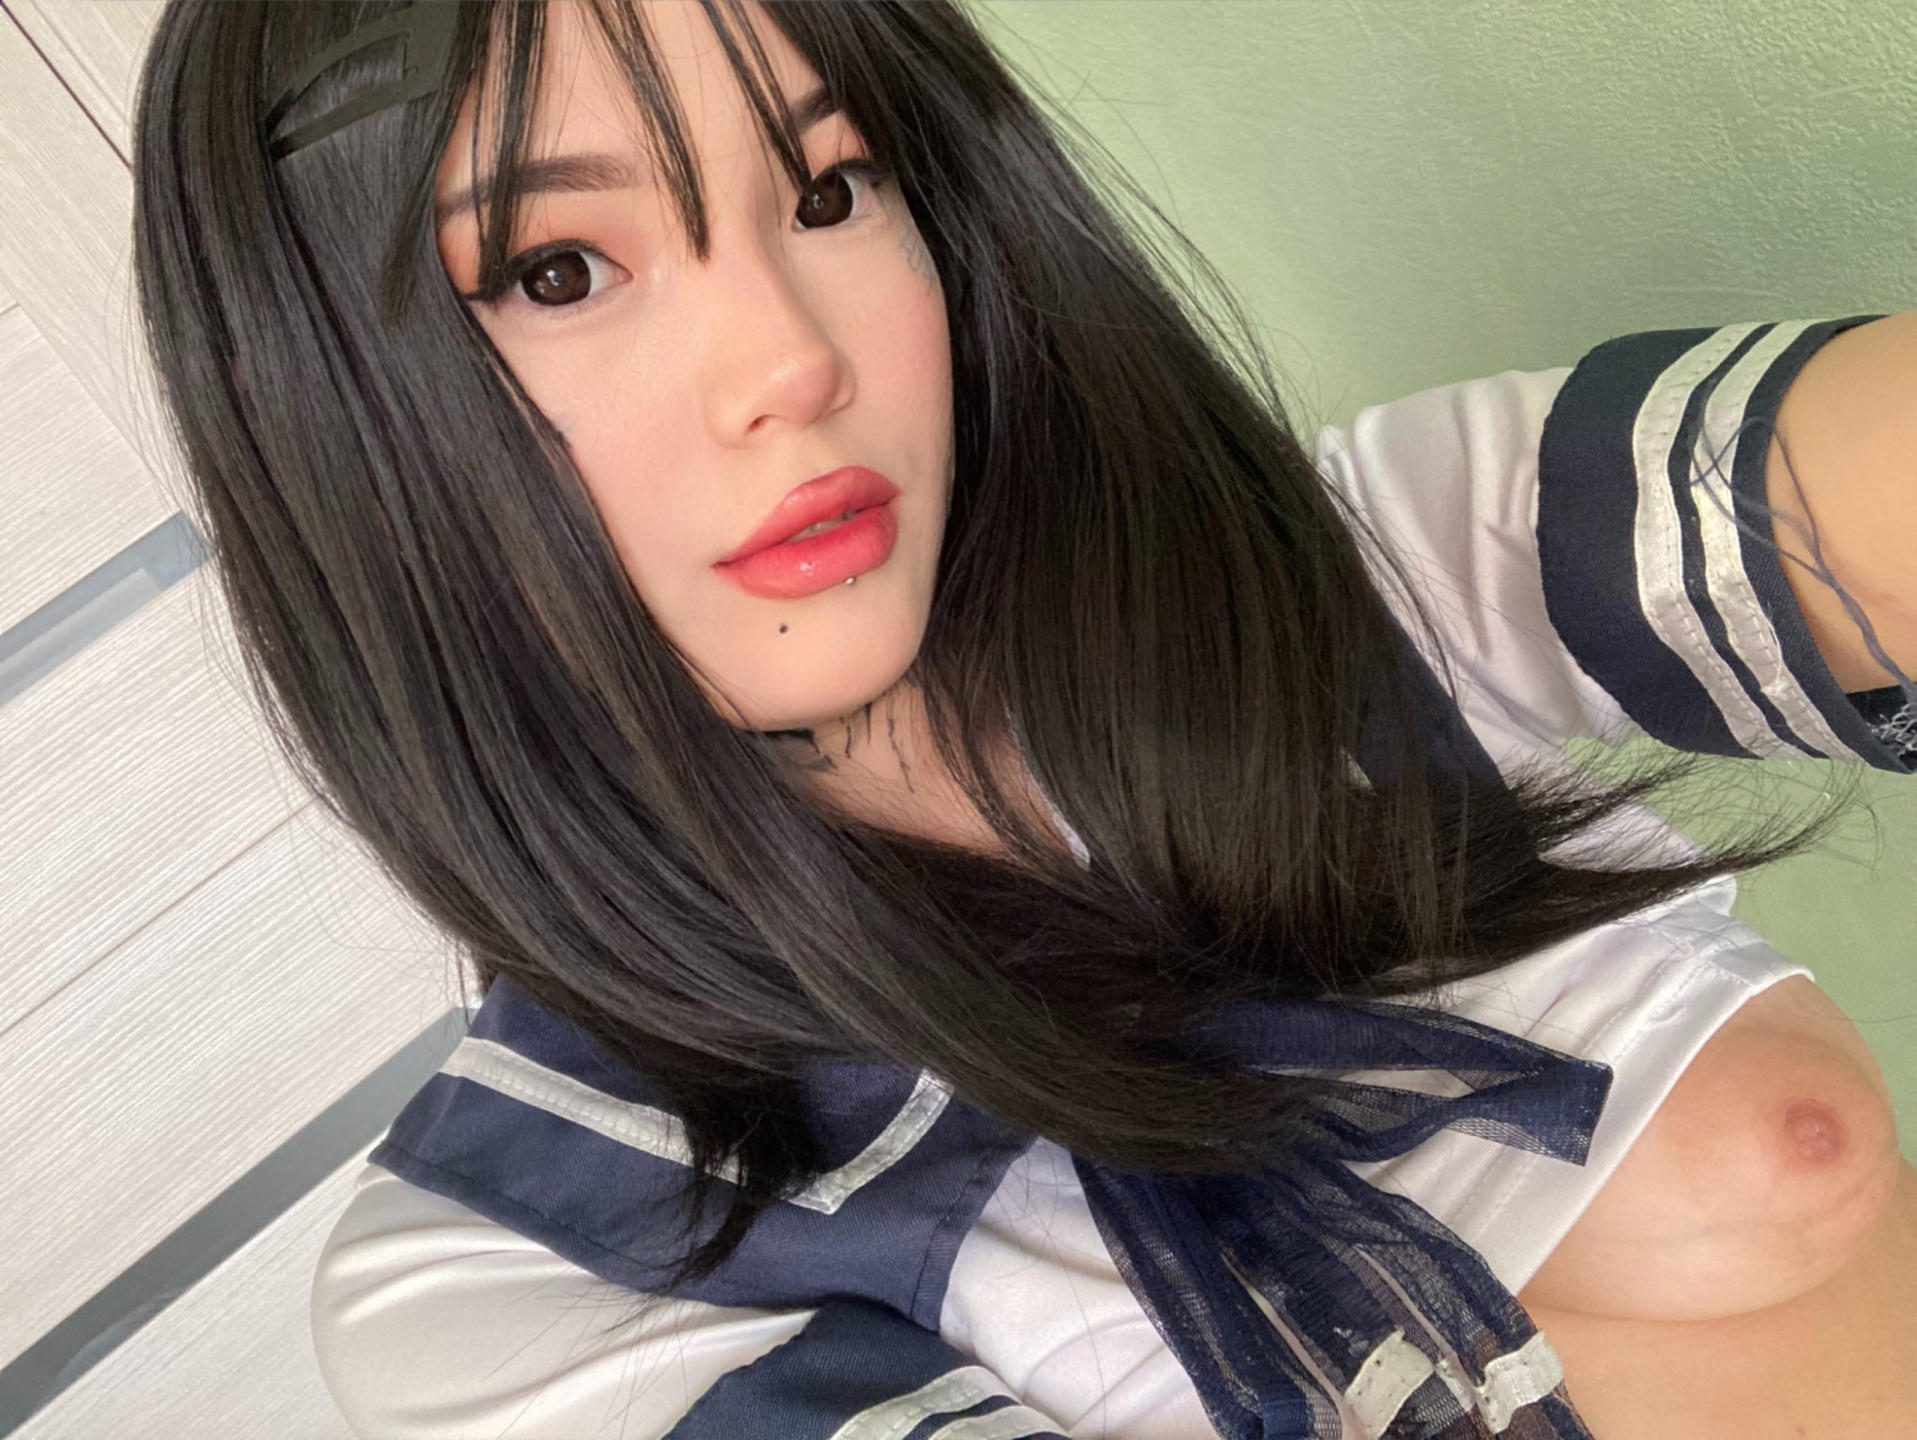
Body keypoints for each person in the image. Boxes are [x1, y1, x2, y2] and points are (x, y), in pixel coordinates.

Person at [128, 1, 1917, 1435]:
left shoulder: (1320, 581)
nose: (793, 359)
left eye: (830, 189)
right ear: (323, 417)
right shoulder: (527, 1253)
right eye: (557, 272)